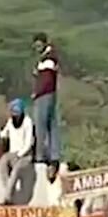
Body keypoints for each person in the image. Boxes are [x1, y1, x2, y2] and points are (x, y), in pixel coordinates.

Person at [0, 98, 34, 204]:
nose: (15, 115)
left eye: (17, 112)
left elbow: (28, 143)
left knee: (16, 170)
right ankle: (8, 192)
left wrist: (19, 155)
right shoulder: (10, 121)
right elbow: (4, 134)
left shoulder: (27, 122)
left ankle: (7, 198)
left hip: (25, 155)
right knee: (2, 163)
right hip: (12, 153)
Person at [31, 33, 60, 164]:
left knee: (41, 125)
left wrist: (37, 92)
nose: (36, 47)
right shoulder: (49, 58)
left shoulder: (48, 59)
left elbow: (47, 81)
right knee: (50, 125)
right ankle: (53, 155)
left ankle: (40, 155)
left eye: (38, 44)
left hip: (44, 95)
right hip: (50, 94)